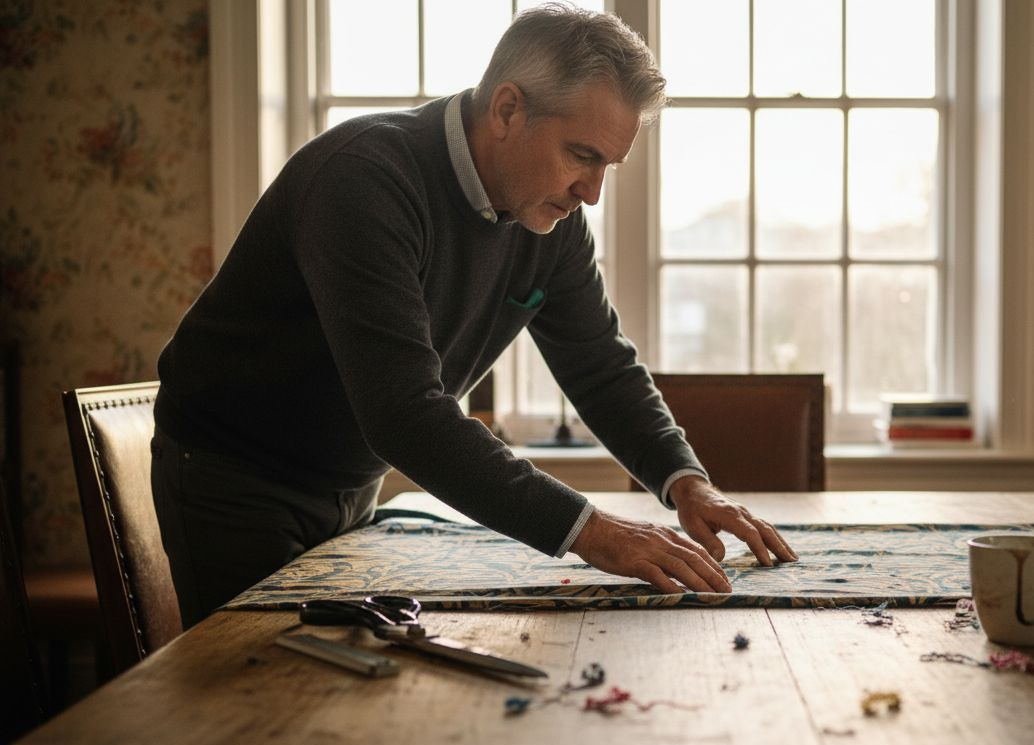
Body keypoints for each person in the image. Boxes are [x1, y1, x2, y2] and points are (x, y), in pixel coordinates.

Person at [151, 3, 797, 628]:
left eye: (608, 164)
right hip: (233, 480)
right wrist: (594, 533)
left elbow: (600, 364)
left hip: (352, 485)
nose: (593, 192)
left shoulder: (551, 219)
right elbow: (405, 415)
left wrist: (687, 482)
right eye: (582, 155)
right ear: (508, 110)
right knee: (257, 683)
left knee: (344, 680)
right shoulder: (364, 179)